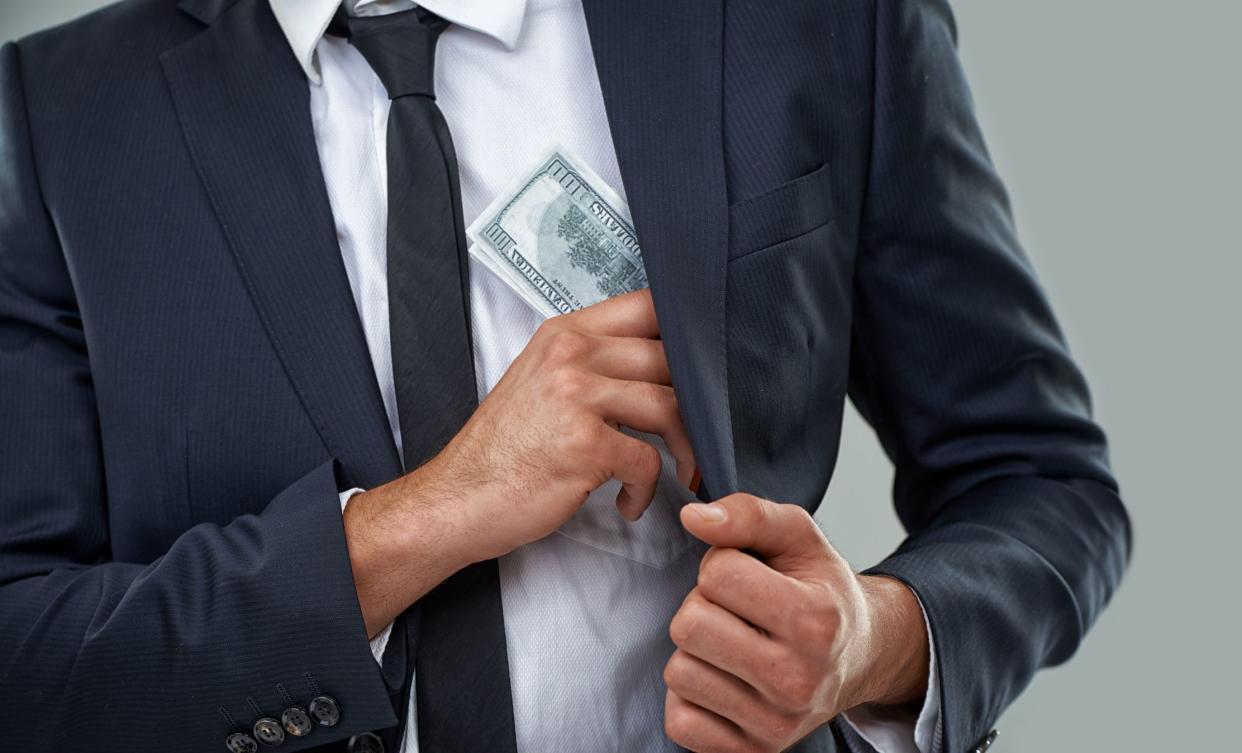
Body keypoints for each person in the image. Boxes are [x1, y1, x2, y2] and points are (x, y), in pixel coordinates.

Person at [0, 0, 1131, 752]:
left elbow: (1043, 480)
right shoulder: (50, 119)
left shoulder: (815, 19)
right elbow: (25, 652)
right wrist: (421, 520)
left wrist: (866, 640)